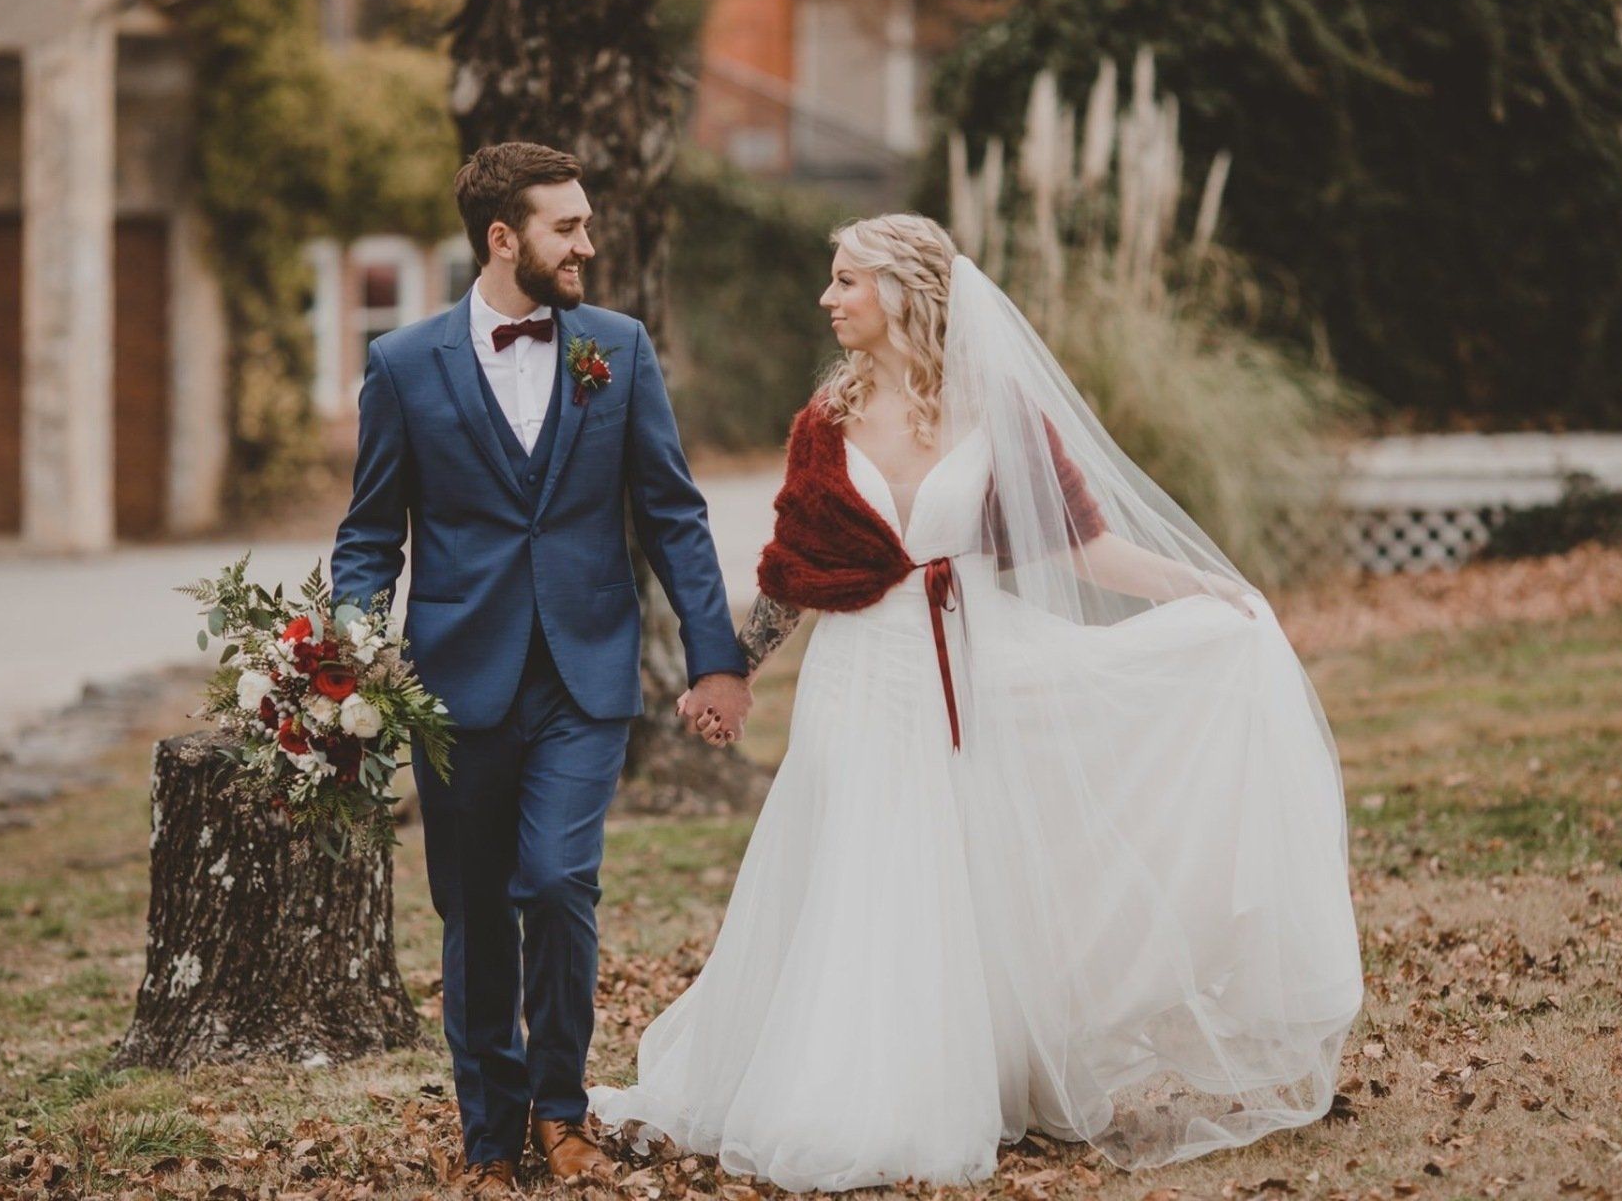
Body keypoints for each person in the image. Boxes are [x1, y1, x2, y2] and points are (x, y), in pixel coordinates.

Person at [588, 213, 1364, 1191]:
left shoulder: (999, 411)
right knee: (859, 865)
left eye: (847, 280)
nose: (828, 298)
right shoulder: (824, 421)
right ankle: (844, 1086)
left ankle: (970, 1072)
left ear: (903, 291)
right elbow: (792, 573)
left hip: (971, 667)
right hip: (857, 679)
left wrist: (1203, 589)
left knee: (964, 870)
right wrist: (731, 672)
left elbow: (1082, 544)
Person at [330, 141, 752, 1194]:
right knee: (475, 910)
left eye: (586, 223)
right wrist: (348, 654)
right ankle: (489, 1134)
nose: (587, 244)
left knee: (559, 883)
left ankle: (561, 1109)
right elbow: (371, 534)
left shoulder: (618, 348)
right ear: (502, 238)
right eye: (567, 227)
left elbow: (673, 513)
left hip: (584, 672)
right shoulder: (404, 364)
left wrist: (716, 659)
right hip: (453, 683)